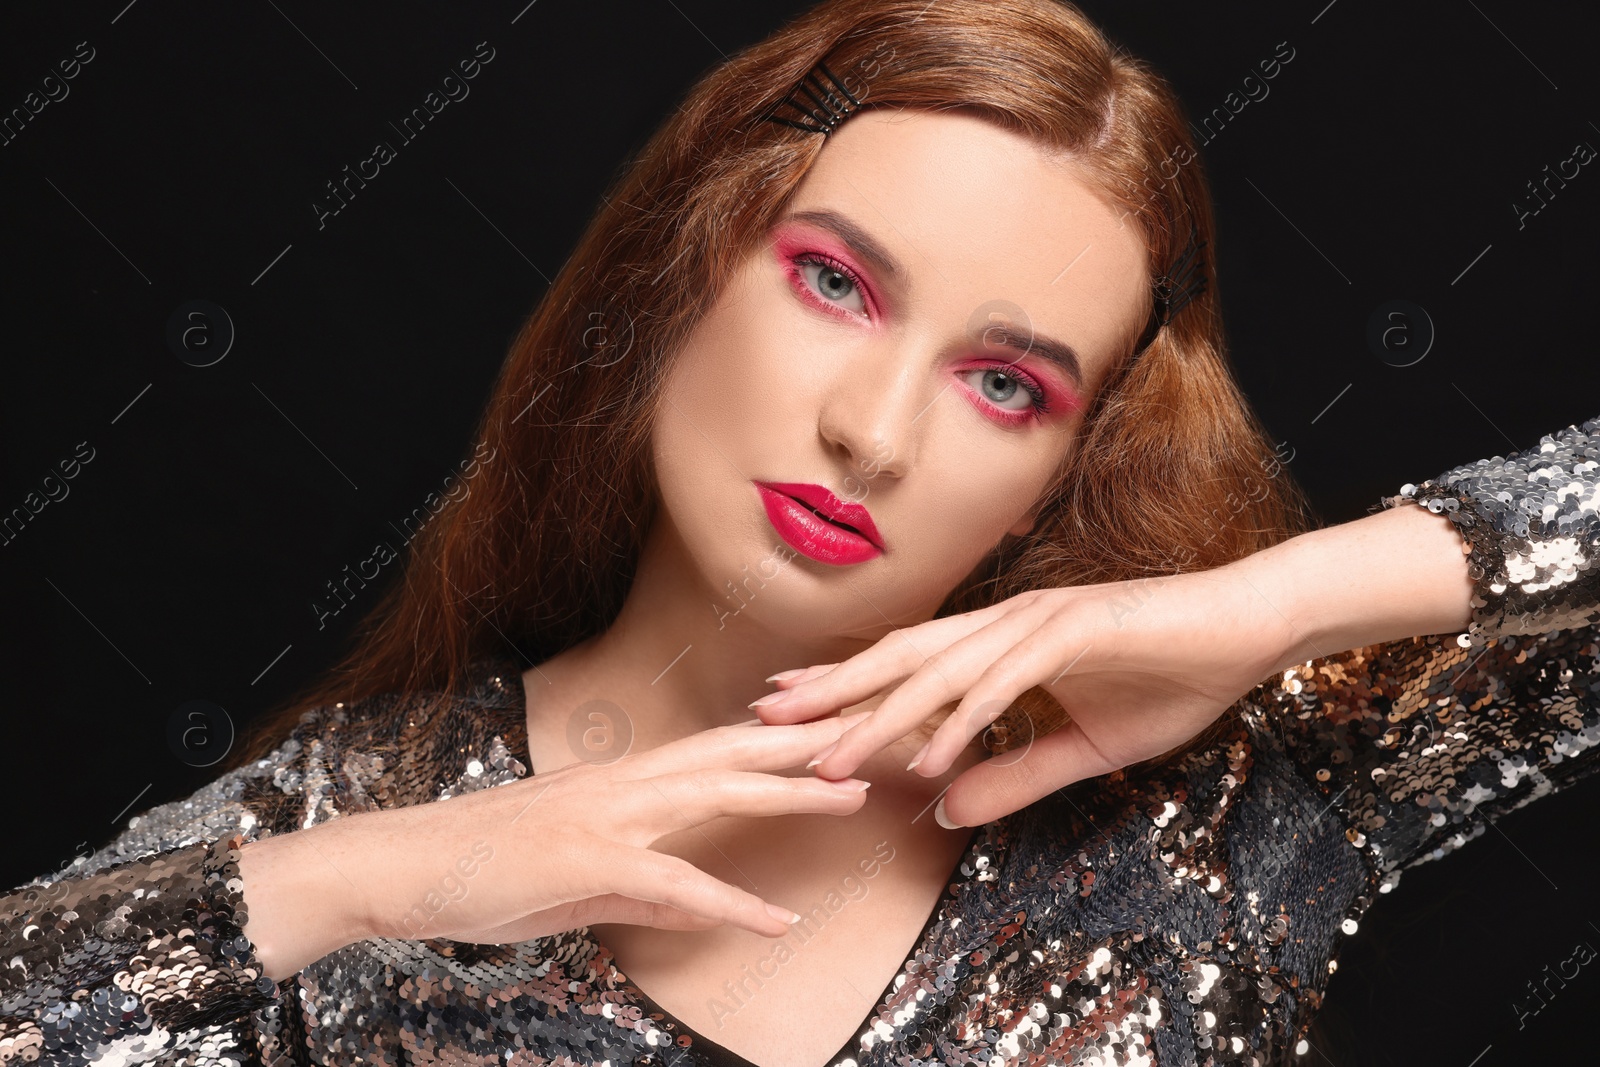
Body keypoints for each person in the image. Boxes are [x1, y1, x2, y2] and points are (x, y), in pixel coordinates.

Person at [3, 0, 1597, 1064]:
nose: (875, 432)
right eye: (836, 282)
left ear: (1061, 471)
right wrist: (363, 886)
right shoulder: (358, 829)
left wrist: (1267, 611)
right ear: (682, 274)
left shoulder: (1229, 801)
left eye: (1004, 381)